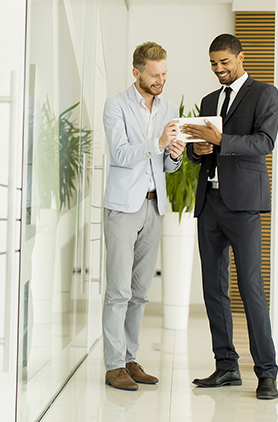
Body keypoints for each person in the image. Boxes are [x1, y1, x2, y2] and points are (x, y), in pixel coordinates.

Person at [180, 33, 278, 400]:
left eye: (224, 62)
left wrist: (221, 141)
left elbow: (264, 142)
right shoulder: (209, 100)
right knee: (213, 289)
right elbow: (198, 153)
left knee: (250, 288)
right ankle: (226, 367)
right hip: (210, 202)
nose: (218, 69)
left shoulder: (265, 94)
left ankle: (266, 373)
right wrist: (200, 148)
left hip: (244, 205)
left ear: (240, 57)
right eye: (213, 64)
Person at [101, 41, 185, 391]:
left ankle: (130, 359)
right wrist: (158, 141)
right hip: (123, 208)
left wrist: (175, 155)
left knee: (140, 292)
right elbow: (120, 153)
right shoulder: (115, 106)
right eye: (154, 75)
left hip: (154, 206)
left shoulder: (167, 106)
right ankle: (113, 365)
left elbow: (165, 162)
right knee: (118, 291)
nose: (160, 80)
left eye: (164, 74)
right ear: (136, 72)